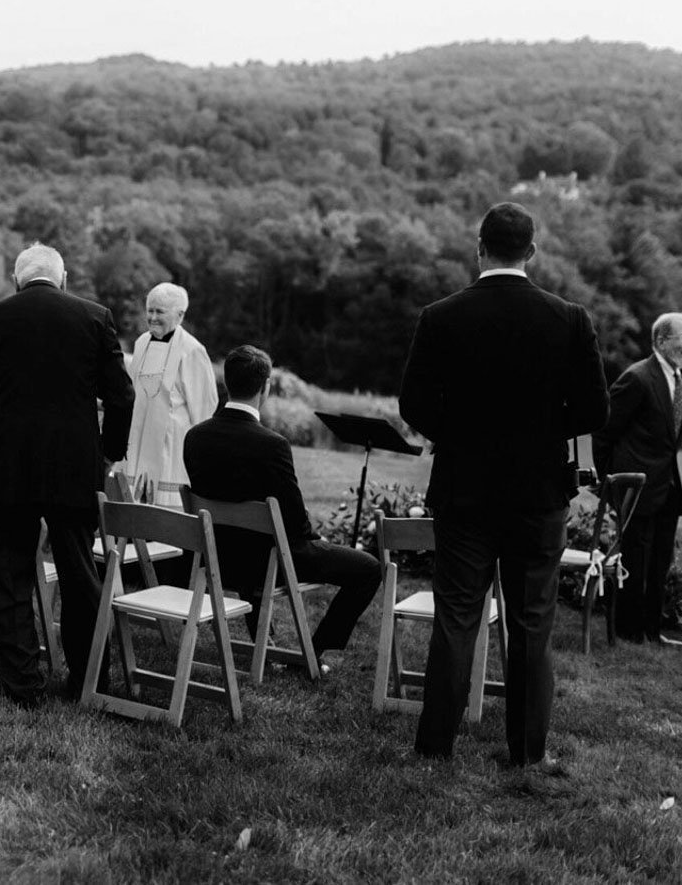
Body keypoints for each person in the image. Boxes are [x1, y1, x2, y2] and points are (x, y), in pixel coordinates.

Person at [398, 202, 608, 766]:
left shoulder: (440, 316)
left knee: (457, 617)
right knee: (532, 620)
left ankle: (436, 743)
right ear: (531, 252)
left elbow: (414, 403)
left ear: (479, 246)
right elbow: (594, 409)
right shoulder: (569, 318)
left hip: (464, 489)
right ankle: (526, 751)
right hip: (538, 492)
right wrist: (541, 432)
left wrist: (460, 433)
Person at [0, 242, 134, 706]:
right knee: (80, 576)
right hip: (73, 467)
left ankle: (22, 687)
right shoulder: (95, 317)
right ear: (63, 279)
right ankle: (88, 679)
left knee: (10, 577)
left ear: (16, 280)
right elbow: (122, 397)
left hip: (7, 469)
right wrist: (109, 454)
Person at [183, 345, 384, 669]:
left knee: (256, 541)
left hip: (218, 557)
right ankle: (312, 653)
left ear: (227, 383)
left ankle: (276, 646)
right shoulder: (271, 444)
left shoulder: (194, 436)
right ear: (265, 388)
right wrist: (315, 538)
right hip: (268, 563)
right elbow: (294, 523)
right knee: (369, 568)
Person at [592, 312, 682, 647]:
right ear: (661, 341)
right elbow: (605, 432)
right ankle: (628, 631)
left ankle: (652, 631)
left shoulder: (677, 379)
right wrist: (613, 484)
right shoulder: (637, 378)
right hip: (635, 490)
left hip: (667, 488)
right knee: (635, 561)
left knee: (659, 563)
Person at [124, 282, 218, 495]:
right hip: (137, 443)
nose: (153, 317)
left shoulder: (193, 351)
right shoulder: (141, 343)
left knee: (166, 520)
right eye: (150, 310)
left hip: (172, 449)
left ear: (180, 315)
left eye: (160, 312)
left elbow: (204, 408)